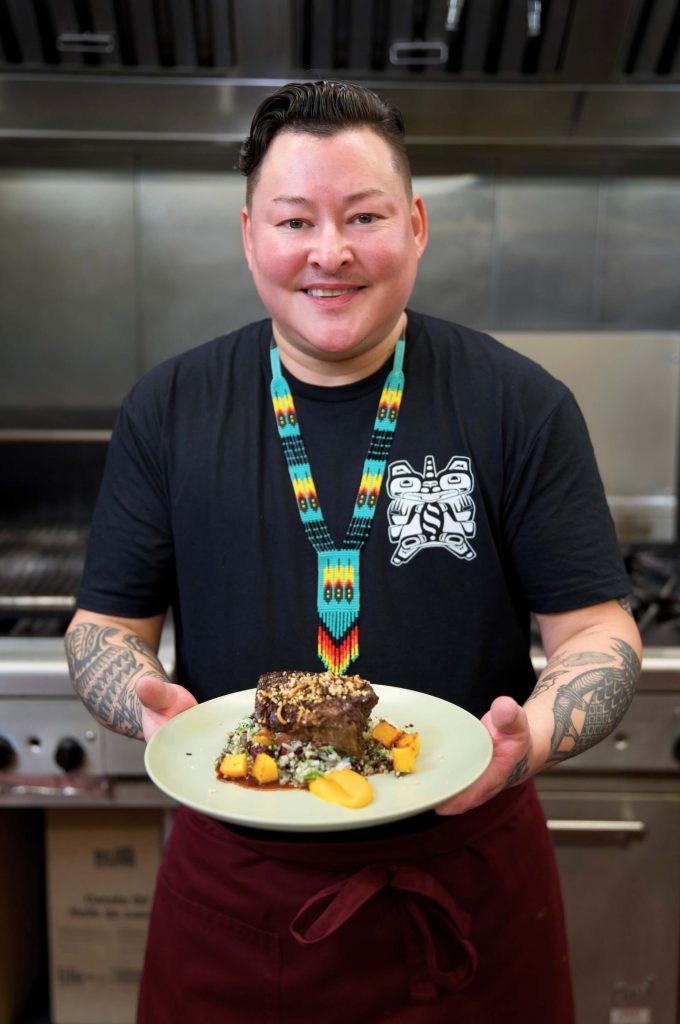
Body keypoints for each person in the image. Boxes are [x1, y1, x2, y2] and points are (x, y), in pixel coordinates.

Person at [65, 80, 641, 1024]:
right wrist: (140, 695)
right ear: (250, 232)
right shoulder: (169, 408)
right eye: (295, 220)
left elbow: (598, 634)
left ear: (415, 224)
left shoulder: (519, 404)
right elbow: (107, 625)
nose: (329, 252)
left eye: (364, 215)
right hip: (239, 891)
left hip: (468, 894)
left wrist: (528, 738)